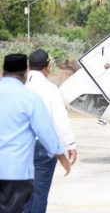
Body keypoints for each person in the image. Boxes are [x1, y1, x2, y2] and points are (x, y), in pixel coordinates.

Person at [0, 54, 70, 213]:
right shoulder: (30, 98)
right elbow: (45, 131)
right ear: (26, 72)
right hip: (17, 171)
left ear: (3, 71)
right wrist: (61, 155)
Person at [23, 49, 77, 213]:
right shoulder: (50, 88)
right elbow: (61, 119)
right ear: (48, 66)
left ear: (28, 66)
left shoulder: (19, 86)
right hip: (43, 147)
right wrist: (70, 144)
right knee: (39, 193)